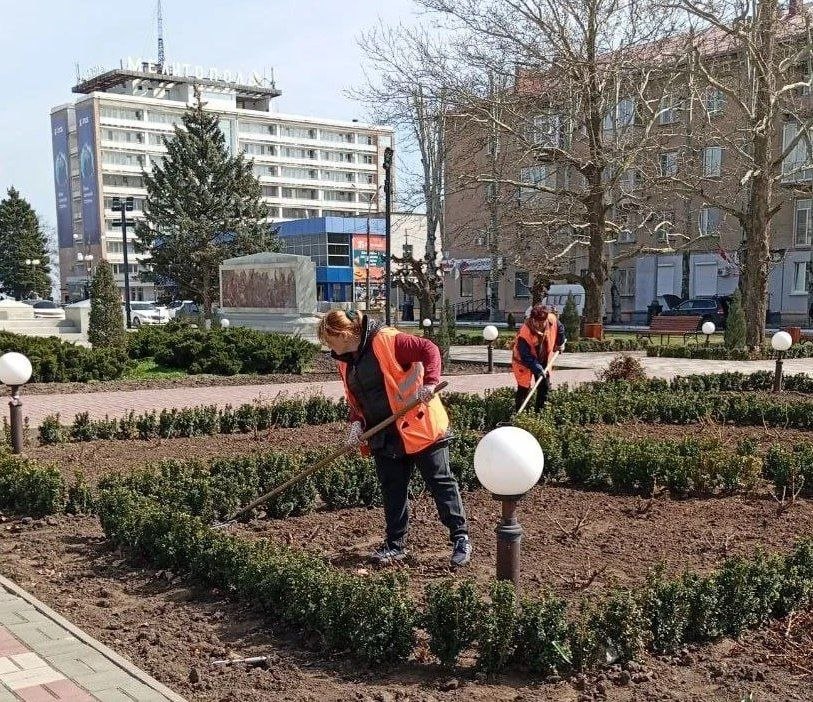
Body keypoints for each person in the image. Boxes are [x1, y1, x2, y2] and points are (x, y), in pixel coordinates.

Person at [317, 309, 472, 567]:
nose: (327, 346)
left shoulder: (388, 340)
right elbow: (356, 399)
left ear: (343, 334)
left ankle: (460, 538)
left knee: (440, 483)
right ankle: (395, 545)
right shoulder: (344, 361)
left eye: (329, 339)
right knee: (392, 489)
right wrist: (356, 423)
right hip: (385, 433)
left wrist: (430, 383)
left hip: (420, 426)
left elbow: (429, 349)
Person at [511, 303, 565, 412]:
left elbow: (560, 329)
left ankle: (540, 413)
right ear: (532, 319)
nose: (539, 325)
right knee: (523, 388)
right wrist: (537, 367)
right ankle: (520, 414)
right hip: (523, 361)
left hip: (543, 356)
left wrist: (560, 343)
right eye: (537, 322)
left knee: (544, 386)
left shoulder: (551, 319)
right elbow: (525, 355)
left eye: (542, 322)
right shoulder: (525, 332)